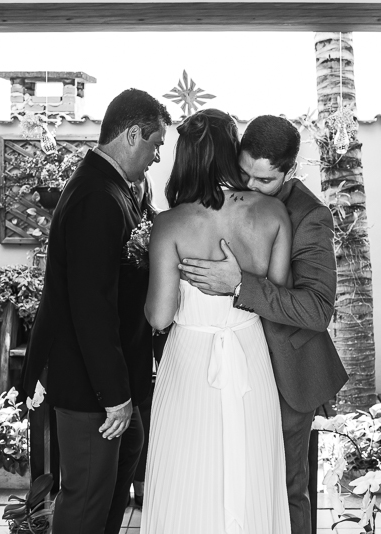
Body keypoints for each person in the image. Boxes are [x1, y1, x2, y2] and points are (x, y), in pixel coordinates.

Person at [178, 114, 348, 534]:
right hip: (227, 371)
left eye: (265, 180)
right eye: (244, 173)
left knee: (285, 490)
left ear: (289, 171)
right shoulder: (221, 199)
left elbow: (317, 309)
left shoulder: (310, 215)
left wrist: (241, 285)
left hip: (284, 372)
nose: (250, 186)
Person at [22, 88, 170, 534]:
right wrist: (114, 396)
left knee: (127, 454)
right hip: (88, 382)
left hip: (110, 371)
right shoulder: (96, 197)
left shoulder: (118, 188)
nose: (157, 156)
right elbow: (91, 306)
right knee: (86, 497)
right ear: (132, 135)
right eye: (155, 144)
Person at [141, 108, 292, 534]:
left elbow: (159, 316)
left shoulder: (170, 224)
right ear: (233, 151)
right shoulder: (273, 213)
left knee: (188, 470)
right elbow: (277, 298)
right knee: (252, 466)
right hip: (250, 355)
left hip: (190, 361)